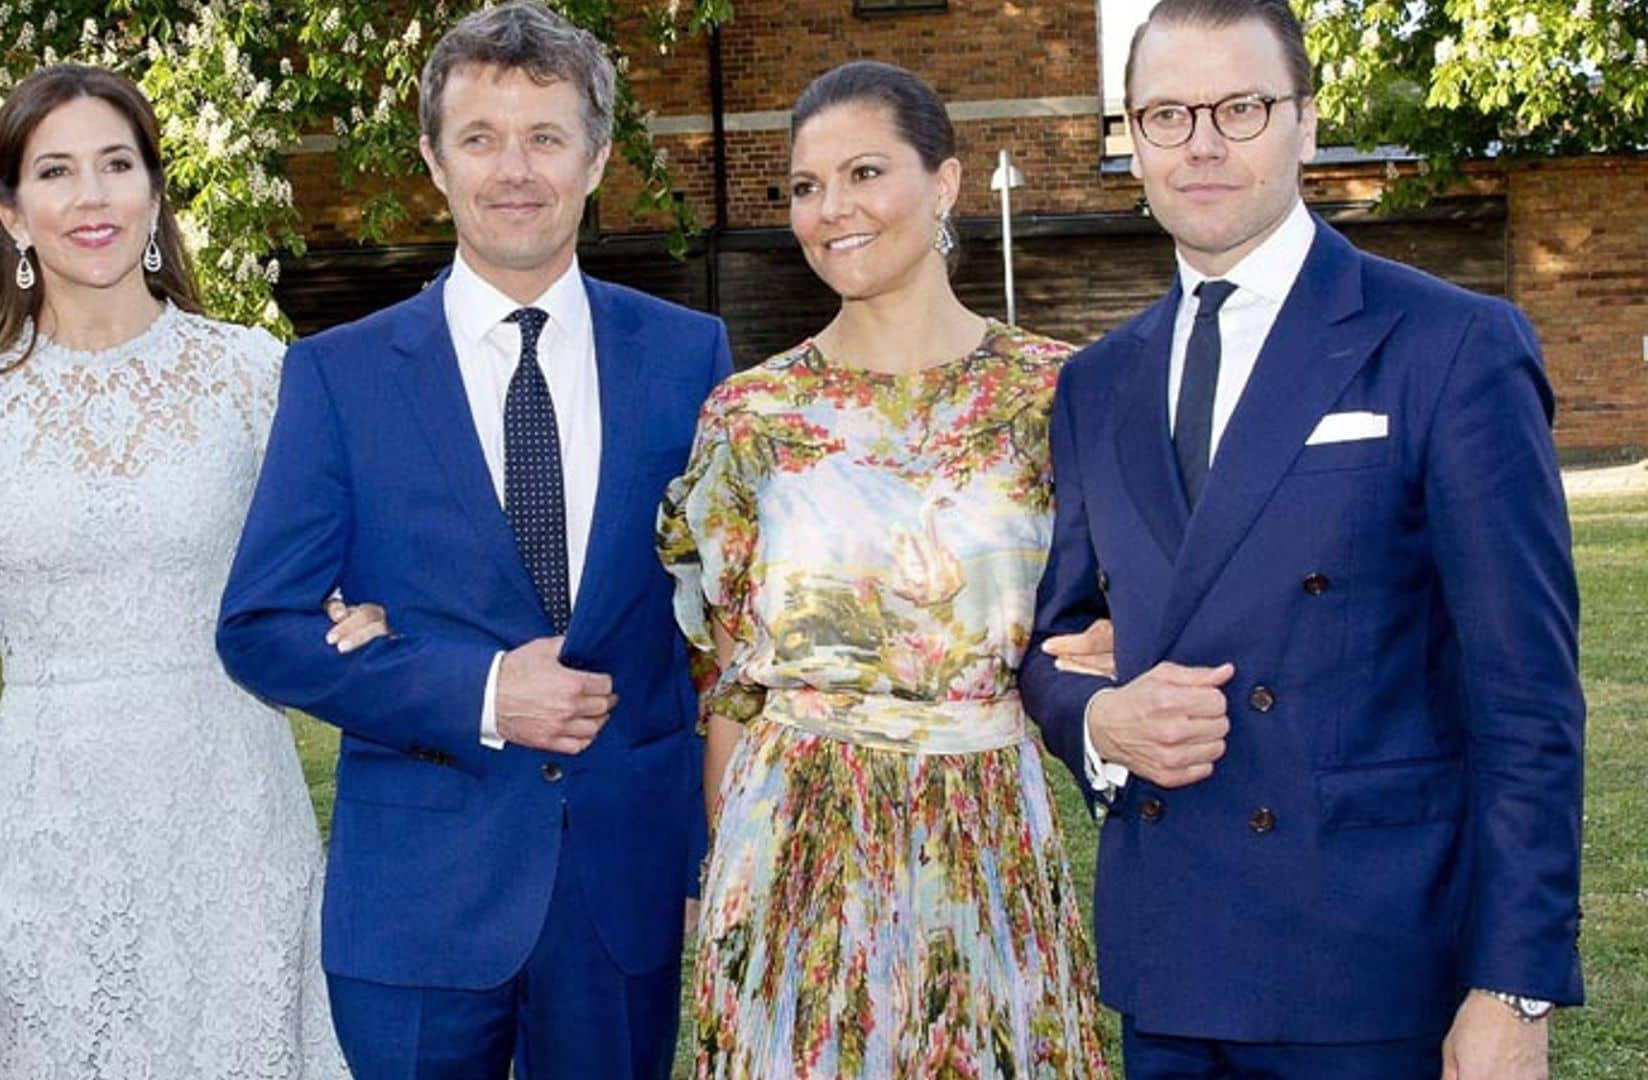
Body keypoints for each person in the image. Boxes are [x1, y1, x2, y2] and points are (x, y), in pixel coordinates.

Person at [1018, 1, 1586, 1077]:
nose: (1204, 143)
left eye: (1241, 106)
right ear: (1130, 140)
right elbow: (1056, 644)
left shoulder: (1449, 345)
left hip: (1372, 964)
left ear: (1307, 123)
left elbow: (1528, 696)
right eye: (1167, 114)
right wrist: (1103, 718)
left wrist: (1514, 985)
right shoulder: (1095, 383)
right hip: (1171, 961)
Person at [214, 3, 730, 1076]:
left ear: (596, 159)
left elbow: (723, 620)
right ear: (434, 162)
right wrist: (483, 693)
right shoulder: (338, 375)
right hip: (417, 897)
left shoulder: (690, 359)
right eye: (480, 139)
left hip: (620, 895)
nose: (515, 170)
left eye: (546, 137)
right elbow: (260, 626)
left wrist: (703, 852)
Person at [0, 64, 368, 1079]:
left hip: (235, 815)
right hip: (53, 825)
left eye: (118, 164)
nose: (93, 197)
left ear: (156, 194)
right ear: (10, 212)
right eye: (57, 171)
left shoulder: (254, 373)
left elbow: (328, 586)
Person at [658, 60, 1112, 1079]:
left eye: (864, 172)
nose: (831, 210)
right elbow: (732, 687)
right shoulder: (751, 418)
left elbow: (1114, 616)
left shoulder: (1061, 394)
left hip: (985, 823)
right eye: (806, 187)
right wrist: (729, 882)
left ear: (945, 183)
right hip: (793, 837)